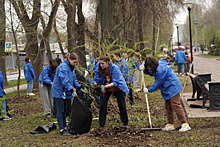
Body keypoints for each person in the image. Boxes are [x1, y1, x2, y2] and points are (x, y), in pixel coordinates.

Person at [140, 57, 191, 132]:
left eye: (149, 67)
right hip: (166, 89)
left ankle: (185, 124)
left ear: (152, 65)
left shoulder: (161, 70)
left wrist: (149, 90)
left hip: (173, 87)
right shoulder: (157, 66)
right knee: (168, 106)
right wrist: (144, 70)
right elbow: (152, 72)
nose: (149, 68)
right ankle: (170, 124)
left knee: (175, 105)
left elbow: (158, 82)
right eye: (147, 67)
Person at [93, 55, 129, 129]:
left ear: (107, 62)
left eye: (103, 63)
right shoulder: (98, 67)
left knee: (121, 105)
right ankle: (101, 125)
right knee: (103, 104)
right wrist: (95, 84)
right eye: (100, 63)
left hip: (118, 88)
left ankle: (125, 123)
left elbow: (116, 82)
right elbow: (96, 79)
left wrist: (104, 87)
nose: (101, 65)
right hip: (106, 88)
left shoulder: (114, 68)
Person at [52, 52, 84, 136]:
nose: (75, 64)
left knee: (65, 110)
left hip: (65, 91)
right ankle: (62, 129)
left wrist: (78, 88)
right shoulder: (63, 68)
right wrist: (71, 90)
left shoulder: (70, 67)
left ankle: (65, 127)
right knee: (61, 110)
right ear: (69, 60)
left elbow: (73, 79)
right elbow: (64, 81)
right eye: (74, 62)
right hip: (60, 91)